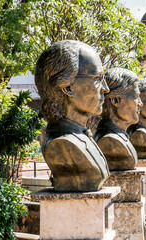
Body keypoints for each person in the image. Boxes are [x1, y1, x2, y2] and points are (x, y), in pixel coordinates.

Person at [35, 40, 110, 192]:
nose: (105, 89)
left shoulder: (80, 136)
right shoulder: (61, 144)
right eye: (97, 78)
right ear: (68, 87)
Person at [94, 68, 142, 170]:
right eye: (136, 96)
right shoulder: (108, 140)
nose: (140, 103)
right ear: (116, 100)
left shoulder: (119, 136)